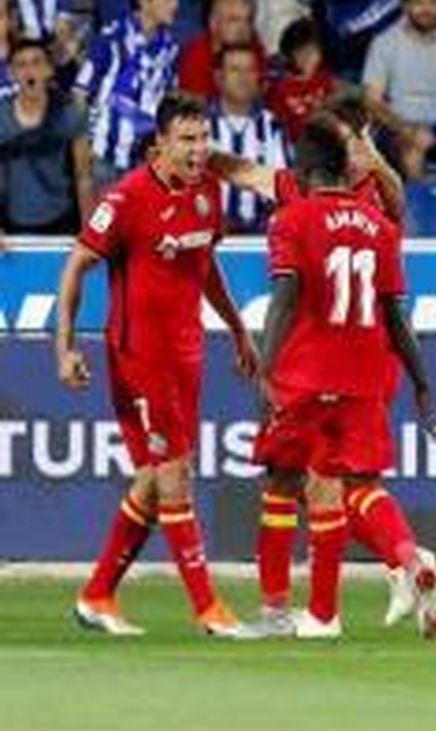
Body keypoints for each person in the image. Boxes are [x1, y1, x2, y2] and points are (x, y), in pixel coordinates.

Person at [209, 97, 436, 633]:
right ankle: (405, 561)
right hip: (367, 365)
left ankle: (308, 611)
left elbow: (286, 295)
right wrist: (203, 156)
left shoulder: (333, 198)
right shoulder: (371, 213)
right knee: (346, 485)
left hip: (313, 366)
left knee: (306, 484)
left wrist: (265, 369)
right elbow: (241, 169)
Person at [55, 91, 258, 639]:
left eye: (203, 138)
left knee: (151, 479)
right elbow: (75, 268)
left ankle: (97, 595)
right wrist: (66, 347)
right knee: (173, 476)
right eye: (187, 140)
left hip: (186, 353)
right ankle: (208, 609)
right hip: (137, 356)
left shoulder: (207, 193)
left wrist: (238, 329)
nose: (198, 150)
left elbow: (205, 266)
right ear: (158, 145)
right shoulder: (126, 200)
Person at [362, 0, 436, 178]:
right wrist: (408, 130)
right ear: (406, 6)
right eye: (419, 3)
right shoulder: (384, 44)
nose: (426, 10)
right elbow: (372, 102)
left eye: (432, 4)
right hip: (395, 126)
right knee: (413, 153)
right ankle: (419, 204)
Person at [73, 0, 181, 187]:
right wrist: (81, 150)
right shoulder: (111, 38)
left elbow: (168, 99)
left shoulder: (170, 47)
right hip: (104, 157)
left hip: (146, 160)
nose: (175, 4)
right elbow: (79, 94)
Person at [0, 39, 94, 235]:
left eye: (36, 63)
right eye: (21, 65)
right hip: (13, 224)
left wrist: (88, 230)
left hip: (61, 221)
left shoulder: (69, 113)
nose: (29, 71)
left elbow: (83, 175)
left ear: (49, 70)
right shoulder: (1, 116)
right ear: (12, 74)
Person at [209, 43, 289, 234]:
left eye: (250, 70)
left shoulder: (272, 125)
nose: (243, 78)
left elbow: (284, 187)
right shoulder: (197, 125)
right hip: (207, 237)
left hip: (261, 239)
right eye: (235, 70)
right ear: (218, 77)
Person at [177, 0, 268, 101]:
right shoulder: (195, 56)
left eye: (248, 20)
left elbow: (261, 91)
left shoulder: (255, 45)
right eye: (234, 20)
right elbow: (197, 106)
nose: (242, 28)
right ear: (213, 23)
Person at [266, 17, 336, 143]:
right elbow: (277, 129)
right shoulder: (280, 89)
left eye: (312, 52)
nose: (307, 57)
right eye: (300, 52)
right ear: (290, 55)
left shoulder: (325, 78)